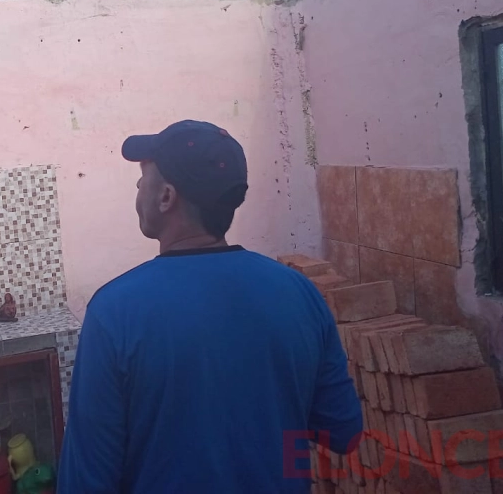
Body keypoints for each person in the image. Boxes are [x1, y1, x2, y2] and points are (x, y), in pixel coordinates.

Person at [56, 120, 363, 493]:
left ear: (166, 197)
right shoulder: (299, 293)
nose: (138, 188)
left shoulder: (114, 313)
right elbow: (342, 431)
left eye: (143, 178)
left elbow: (86, 481)